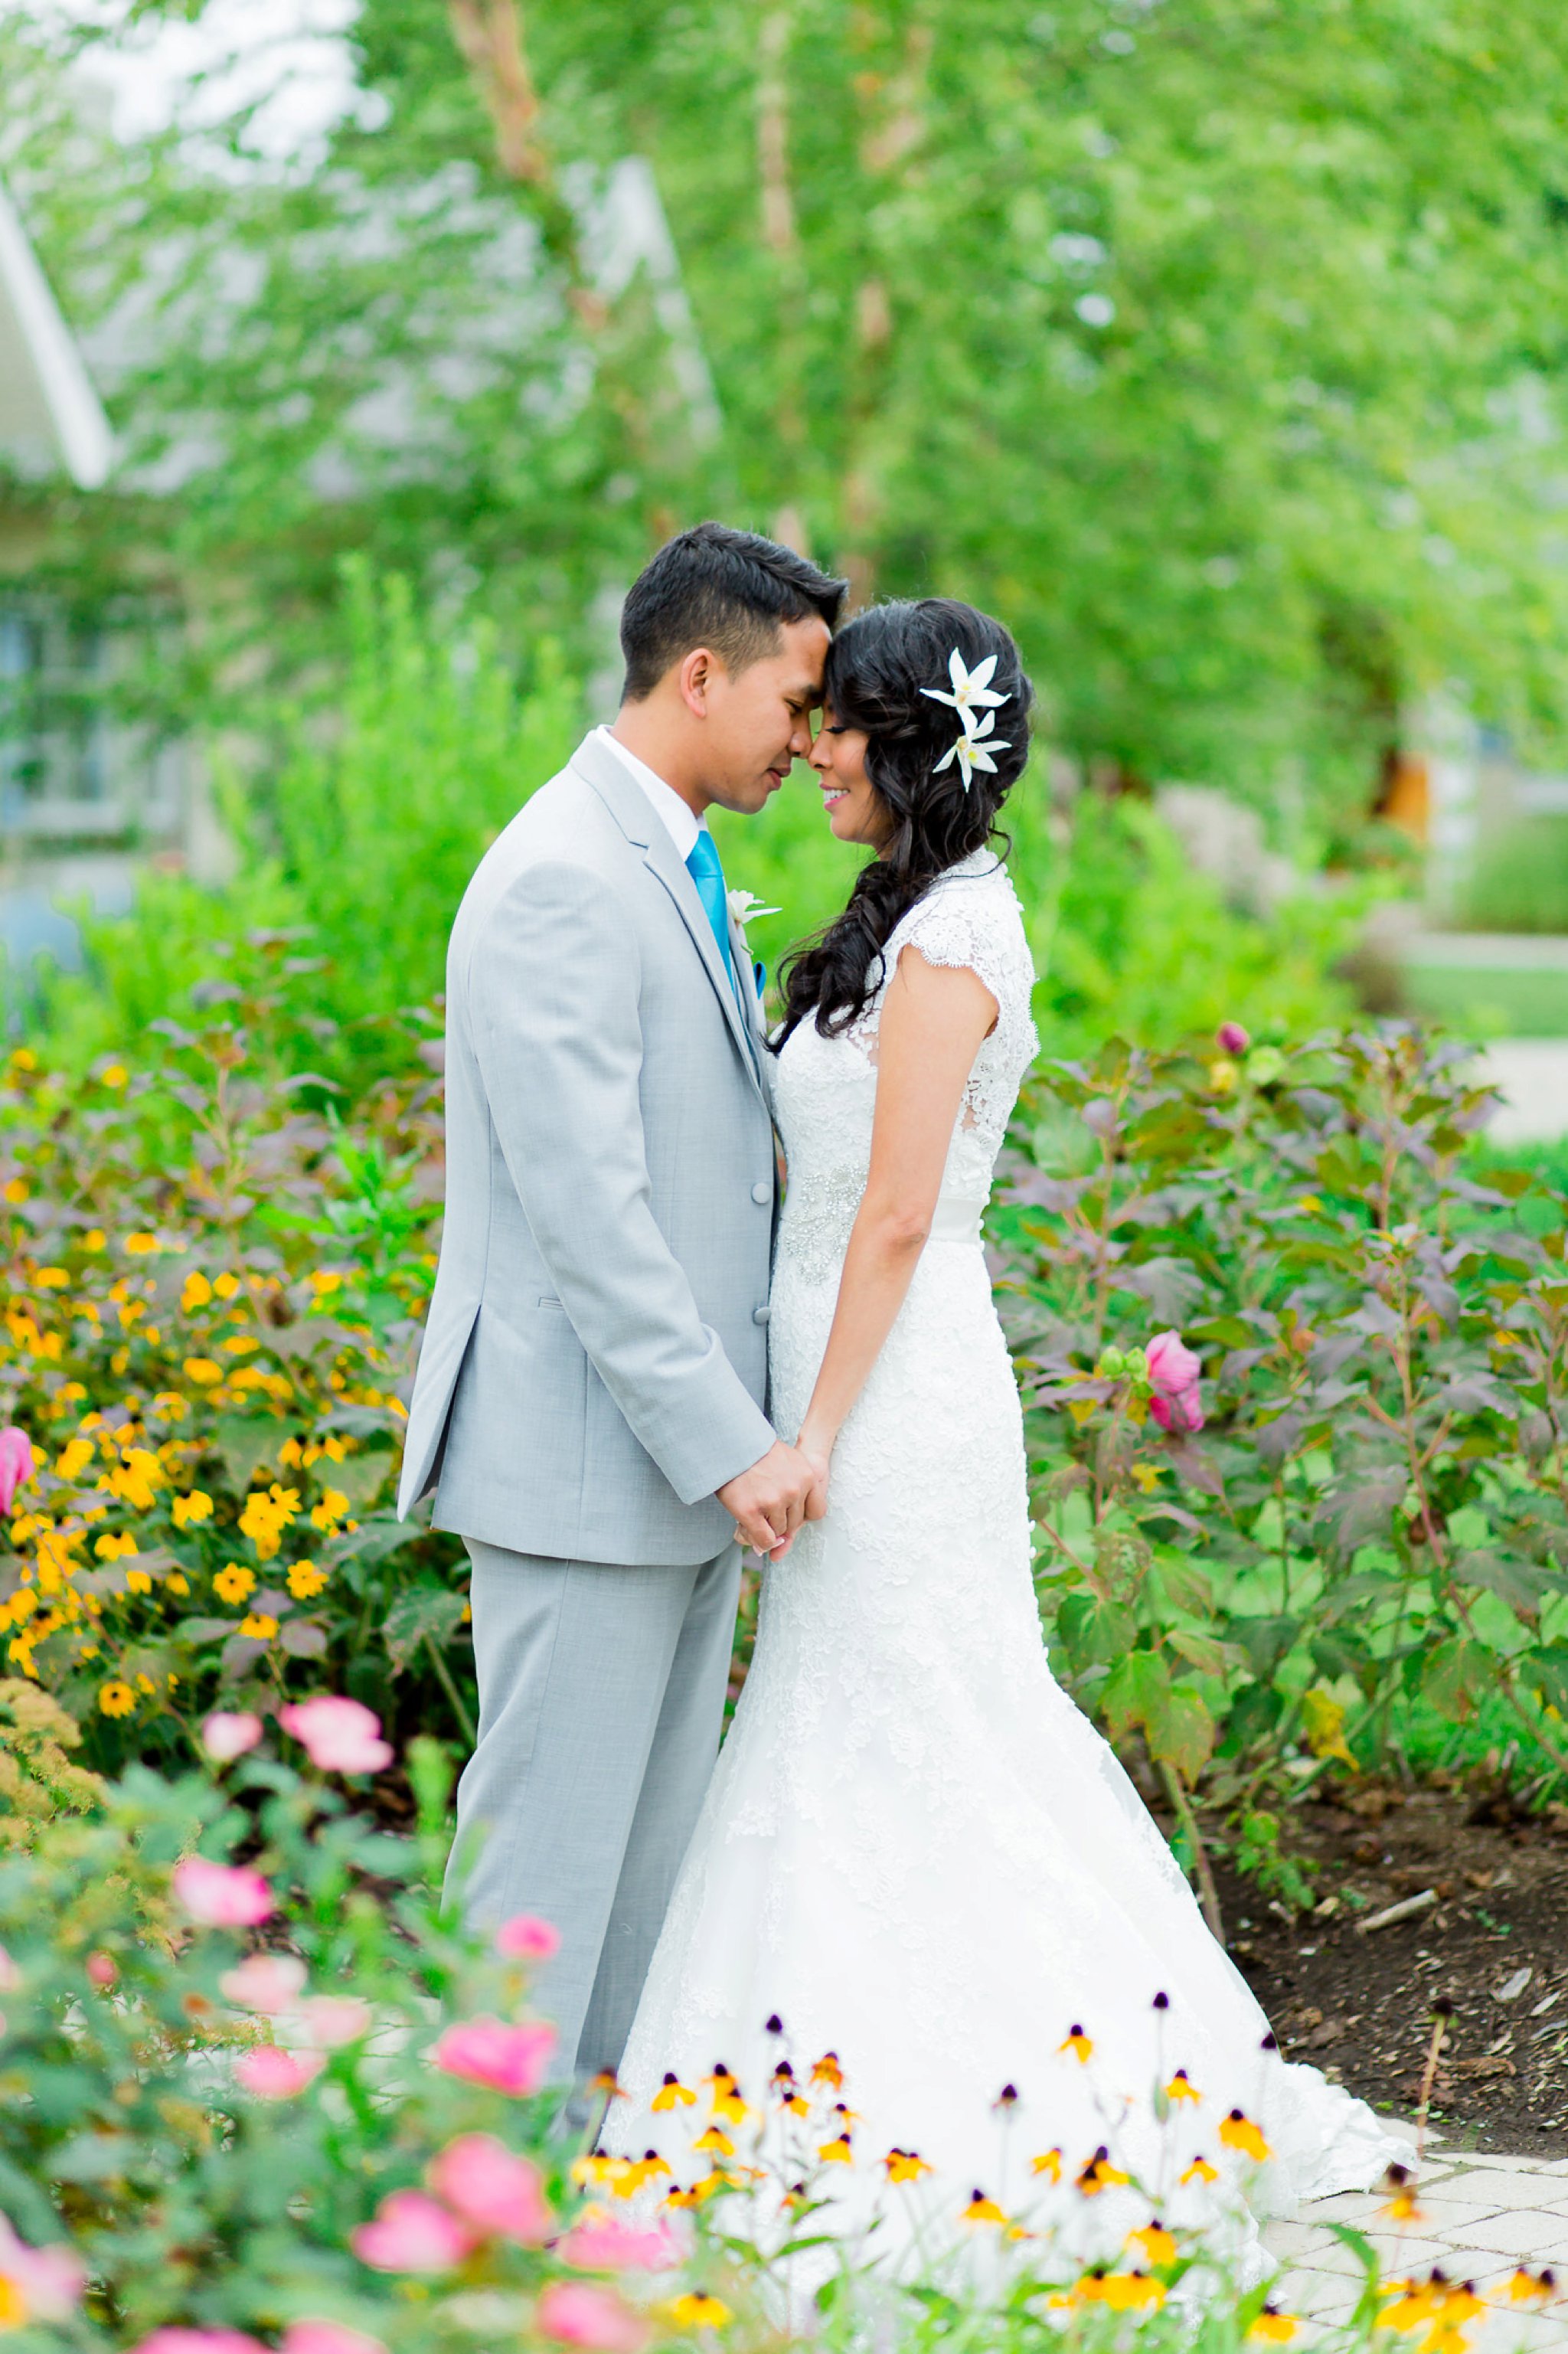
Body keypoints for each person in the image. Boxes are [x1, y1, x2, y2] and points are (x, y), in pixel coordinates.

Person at [610, 596, 1406, 2259]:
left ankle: (1015, 2100)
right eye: (813, 717)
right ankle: (829, 2079)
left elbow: (897, 1210)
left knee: (919, 1719)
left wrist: (811, 1429)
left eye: (841, 724)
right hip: (838, 1371)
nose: (813, 745)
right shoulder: (896, 912)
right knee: (871, 1718)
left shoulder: (957, 935)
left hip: (888, 1395)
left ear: (909, 750)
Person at [397, 521, 846, 2091]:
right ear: (702, 671)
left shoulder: (662, 856)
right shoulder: (562, 879)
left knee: (639, 1896)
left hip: (665, 1473)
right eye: (797, 703)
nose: (812, 739)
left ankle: (585, 2242)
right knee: (537, 1890)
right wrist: (734, 1444)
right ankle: (464, 2247)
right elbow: (595, 1220)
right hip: (592, 1466)